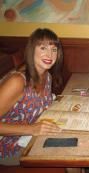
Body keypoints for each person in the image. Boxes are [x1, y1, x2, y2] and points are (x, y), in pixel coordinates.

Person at [0, 28, 64, 165]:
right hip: (9, 147)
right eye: (43, 48)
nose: (50, 54)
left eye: (54, 50)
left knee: (73, 142)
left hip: (31, 137)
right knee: (66, 154)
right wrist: (31, 129)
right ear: (31, 50)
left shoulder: (47, 77)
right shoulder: (17, 81)